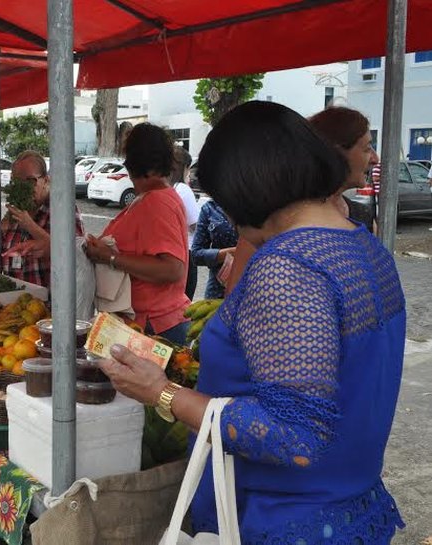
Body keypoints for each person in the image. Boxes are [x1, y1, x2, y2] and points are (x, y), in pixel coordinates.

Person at [98, 101, 405, 543]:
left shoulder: (286, 266)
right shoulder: (366, 247)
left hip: (283, 517)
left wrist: (161, 393)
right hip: (351, 507)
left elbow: (294, 436)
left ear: (245, 188)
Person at [226, 105, 381, 294]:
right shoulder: (275, 218)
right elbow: (235, 294)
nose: (375, 158)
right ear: (336, 153)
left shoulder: (362, 217)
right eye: (366, 148)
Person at [84, 123, 190, 345]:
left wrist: (110, 257)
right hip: (143, 322)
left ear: (134, 161)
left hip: (154, 325)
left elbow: (173, 269)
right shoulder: (155, 197)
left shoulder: (157, 201)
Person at [0, 150, 84, 288]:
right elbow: (1, 261)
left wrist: (30, 225)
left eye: (30, 181)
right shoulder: (13, 215)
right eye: (16, 182)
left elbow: (76, 257)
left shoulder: (63, 211)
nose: (23, 187)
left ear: (46, 180)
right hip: (16, 303)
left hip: (51, 306)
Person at [190, 199, 238, 299]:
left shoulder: (255, 203)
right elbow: (196, 255)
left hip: (252, 288)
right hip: (217, 291)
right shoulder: (210, 208)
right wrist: (232, 252)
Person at [170, 145, 200, 299]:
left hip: (169, 253)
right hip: (186, 251)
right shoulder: (183, 189)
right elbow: (195, 225)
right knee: (185, 300)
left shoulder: (167, 190)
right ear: (184, 168)